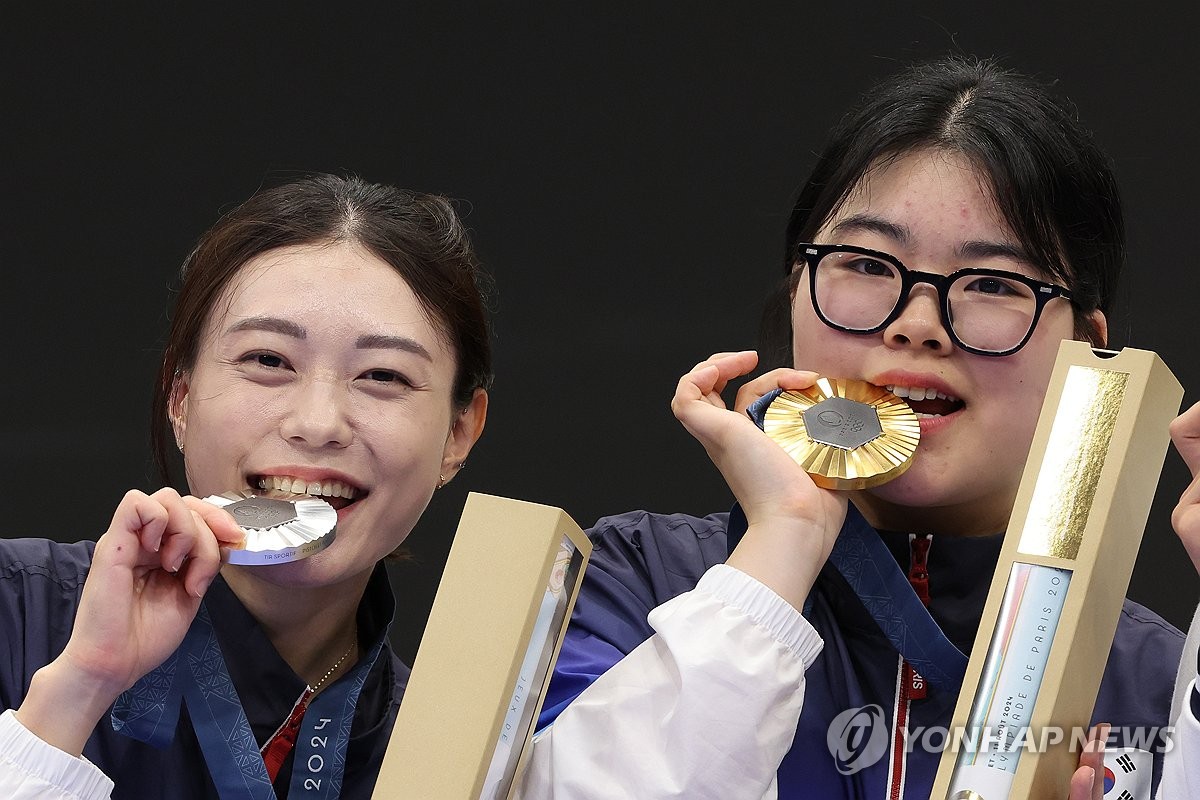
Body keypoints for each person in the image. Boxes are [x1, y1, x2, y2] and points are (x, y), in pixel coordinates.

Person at [531, 56, 1200, 799]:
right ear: (797, 294)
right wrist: (784, 540)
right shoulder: (632, 586)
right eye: (867, 264)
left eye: (992, 283)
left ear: (1088, 351)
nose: (917, 326)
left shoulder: (1165, 687)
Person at [0, 174, 490, 798]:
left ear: (458, 433)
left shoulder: (452, 764)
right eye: (267, 361)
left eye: (382, 375)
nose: (317, 424)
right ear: (178, 397)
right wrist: (78, 688)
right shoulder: (14, 616)